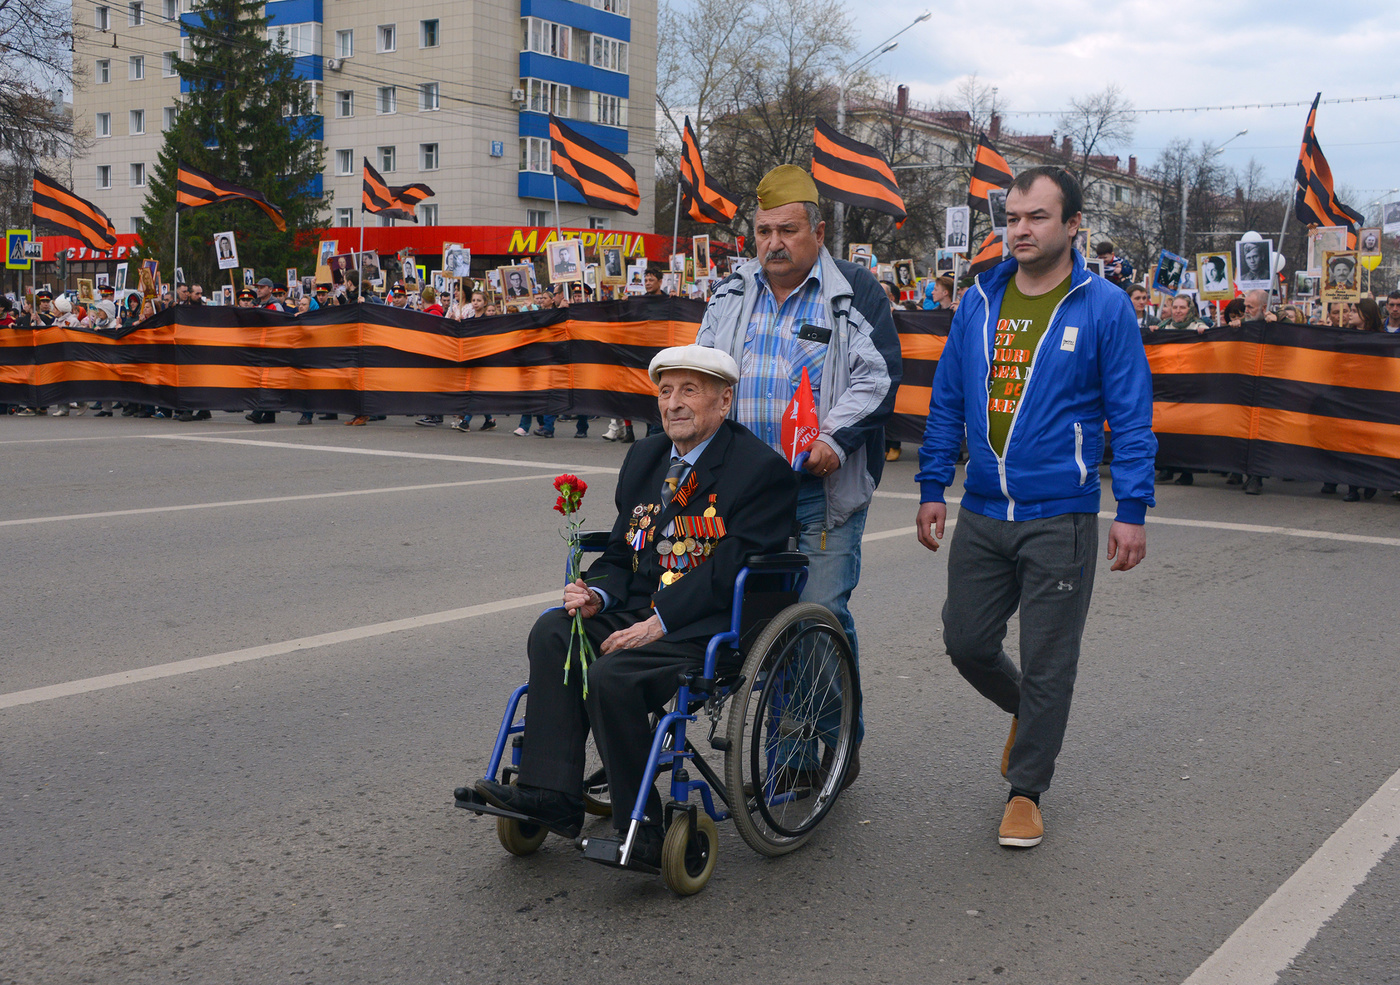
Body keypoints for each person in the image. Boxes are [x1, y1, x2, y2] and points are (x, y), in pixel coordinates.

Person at [463, 345, 798, 866]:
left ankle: (641, 825)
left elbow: (730, 568)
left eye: (689, 390)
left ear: (724, 400)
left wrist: (660, 622)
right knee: (554, 632)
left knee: (613, 675)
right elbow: (624, 549)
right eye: (665, 392)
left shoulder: (759, 470)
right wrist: (596, 593)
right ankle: (552, 796)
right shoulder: (645, 457)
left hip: (709, 624)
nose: (674, 404)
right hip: (640, 608)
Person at [914, 166, 1156, 849]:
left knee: (1049, 659)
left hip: (1061, 514)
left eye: (1037, 217)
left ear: (1073, 224)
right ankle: (1031, 712)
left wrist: (1132, 506)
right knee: (966, 640)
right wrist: (934, 485)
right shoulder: (978, 300)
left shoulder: (1104, 306)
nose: (1019, 229)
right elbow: (948, 401)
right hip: (985, 511)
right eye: (1013, 217)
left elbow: (1131, 417)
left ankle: (1026, 789)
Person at [697, 163, 902, 775]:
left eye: (786, 230)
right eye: (763, 231)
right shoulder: (732, 291)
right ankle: (819, 744)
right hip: (744, 495)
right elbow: (705, 373)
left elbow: (878, 376)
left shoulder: (854, 291)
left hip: (821, 491)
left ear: (816, 231)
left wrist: (835, 441)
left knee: (817, 612)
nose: (773, 243)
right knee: (765, 624)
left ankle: (819, 746)